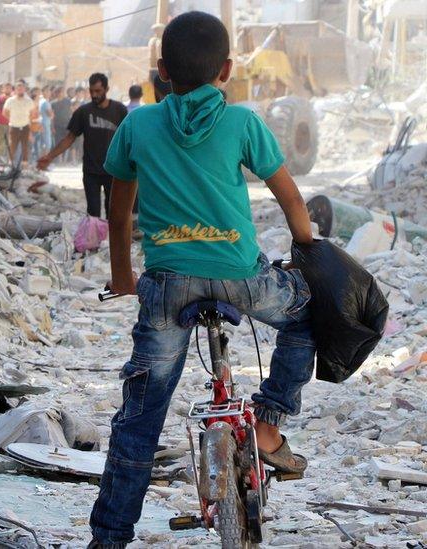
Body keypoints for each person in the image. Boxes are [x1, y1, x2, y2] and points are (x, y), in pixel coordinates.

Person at [88, 12, 315, 547]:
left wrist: (125, 278)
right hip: (242, 279)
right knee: (306, 315)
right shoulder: (242, 122)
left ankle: (109, 538)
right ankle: (269, 419)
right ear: (228, 70)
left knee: (139, 420)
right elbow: (291, 199)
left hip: (168, 285)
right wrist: (309, 252)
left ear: (162, 70)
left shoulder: (137, 124)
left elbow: (120, 216)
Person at [36, 73, 128, 219]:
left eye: (98, 91)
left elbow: (128, 138)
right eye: (91, 91)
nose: (94, 95)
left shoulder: (119, 110)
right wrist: (49, 157)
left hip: (112, 170)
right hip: (91, 170)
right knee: (93, 211)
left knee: (113, 211)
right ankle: (95, 241)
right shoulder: (84, 112)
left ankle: (112, 241)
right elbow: (69, 138)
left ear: (107, 89)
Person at [3, 81, 37, 169]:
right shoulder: (10, 101)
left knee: (25, 146)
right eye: (18, 89)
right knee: (12, 145)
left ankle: (25, 165)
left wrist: (28, 120)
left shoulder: (29, 101)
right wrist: (12, 119)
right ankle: (10, 164)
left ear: (24, 89)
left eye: (22, 88)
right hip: (14, 126)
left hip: (25, 126)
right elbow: (5, 112)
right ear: (15, 90)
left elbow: (33, 113)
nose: (20, 90)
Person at [30, 87, 53, 161]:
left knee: (40, 145)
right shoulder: (44, 102)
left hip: (40, 125)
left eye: (49, 91)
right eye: (47, 91)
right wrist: (52, 114)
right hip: (42, 125)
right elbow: (50, 114)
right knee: (46, 144)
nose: (49, 93)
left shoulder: (40, 101)